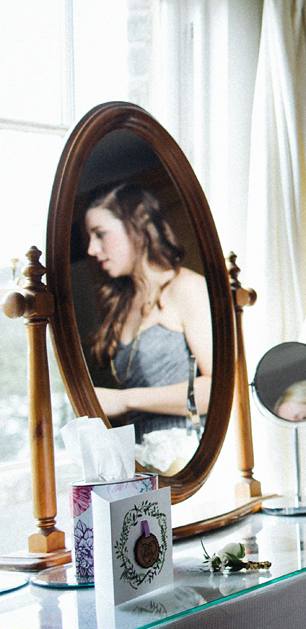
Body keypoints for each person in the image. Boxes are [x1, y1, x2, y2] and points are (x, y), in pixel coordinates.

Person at [84, 181, 212, 447]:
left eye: (100, 234)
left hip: (187, 455)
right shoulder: (123, 302)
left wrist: (123, 400)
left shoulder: (187, 288)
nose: (91, 250)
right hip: (142, 461)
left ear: (137, 228)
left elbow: (219, 390)